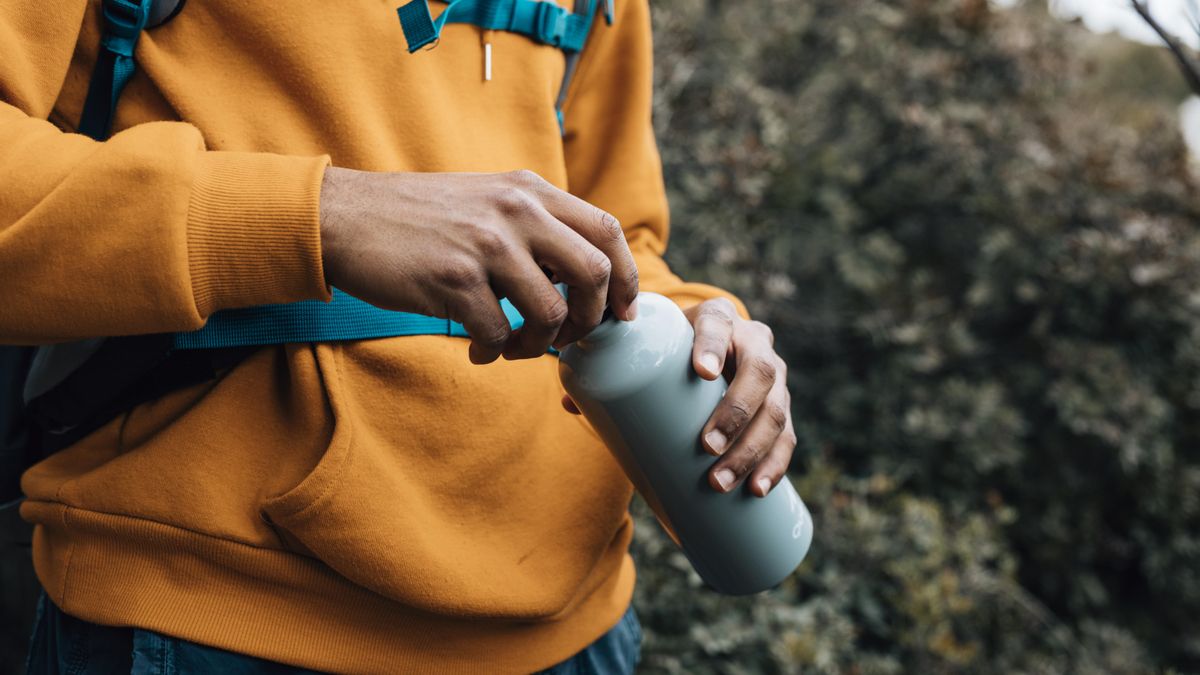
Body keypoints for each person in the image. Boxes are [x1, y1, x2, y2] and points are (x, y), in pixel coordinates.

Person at [1, 1, 797, 672]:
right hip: (210, 613)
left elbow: (620, 242)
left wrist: (700, 322)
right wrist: (323, 217)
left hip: (579, 630)